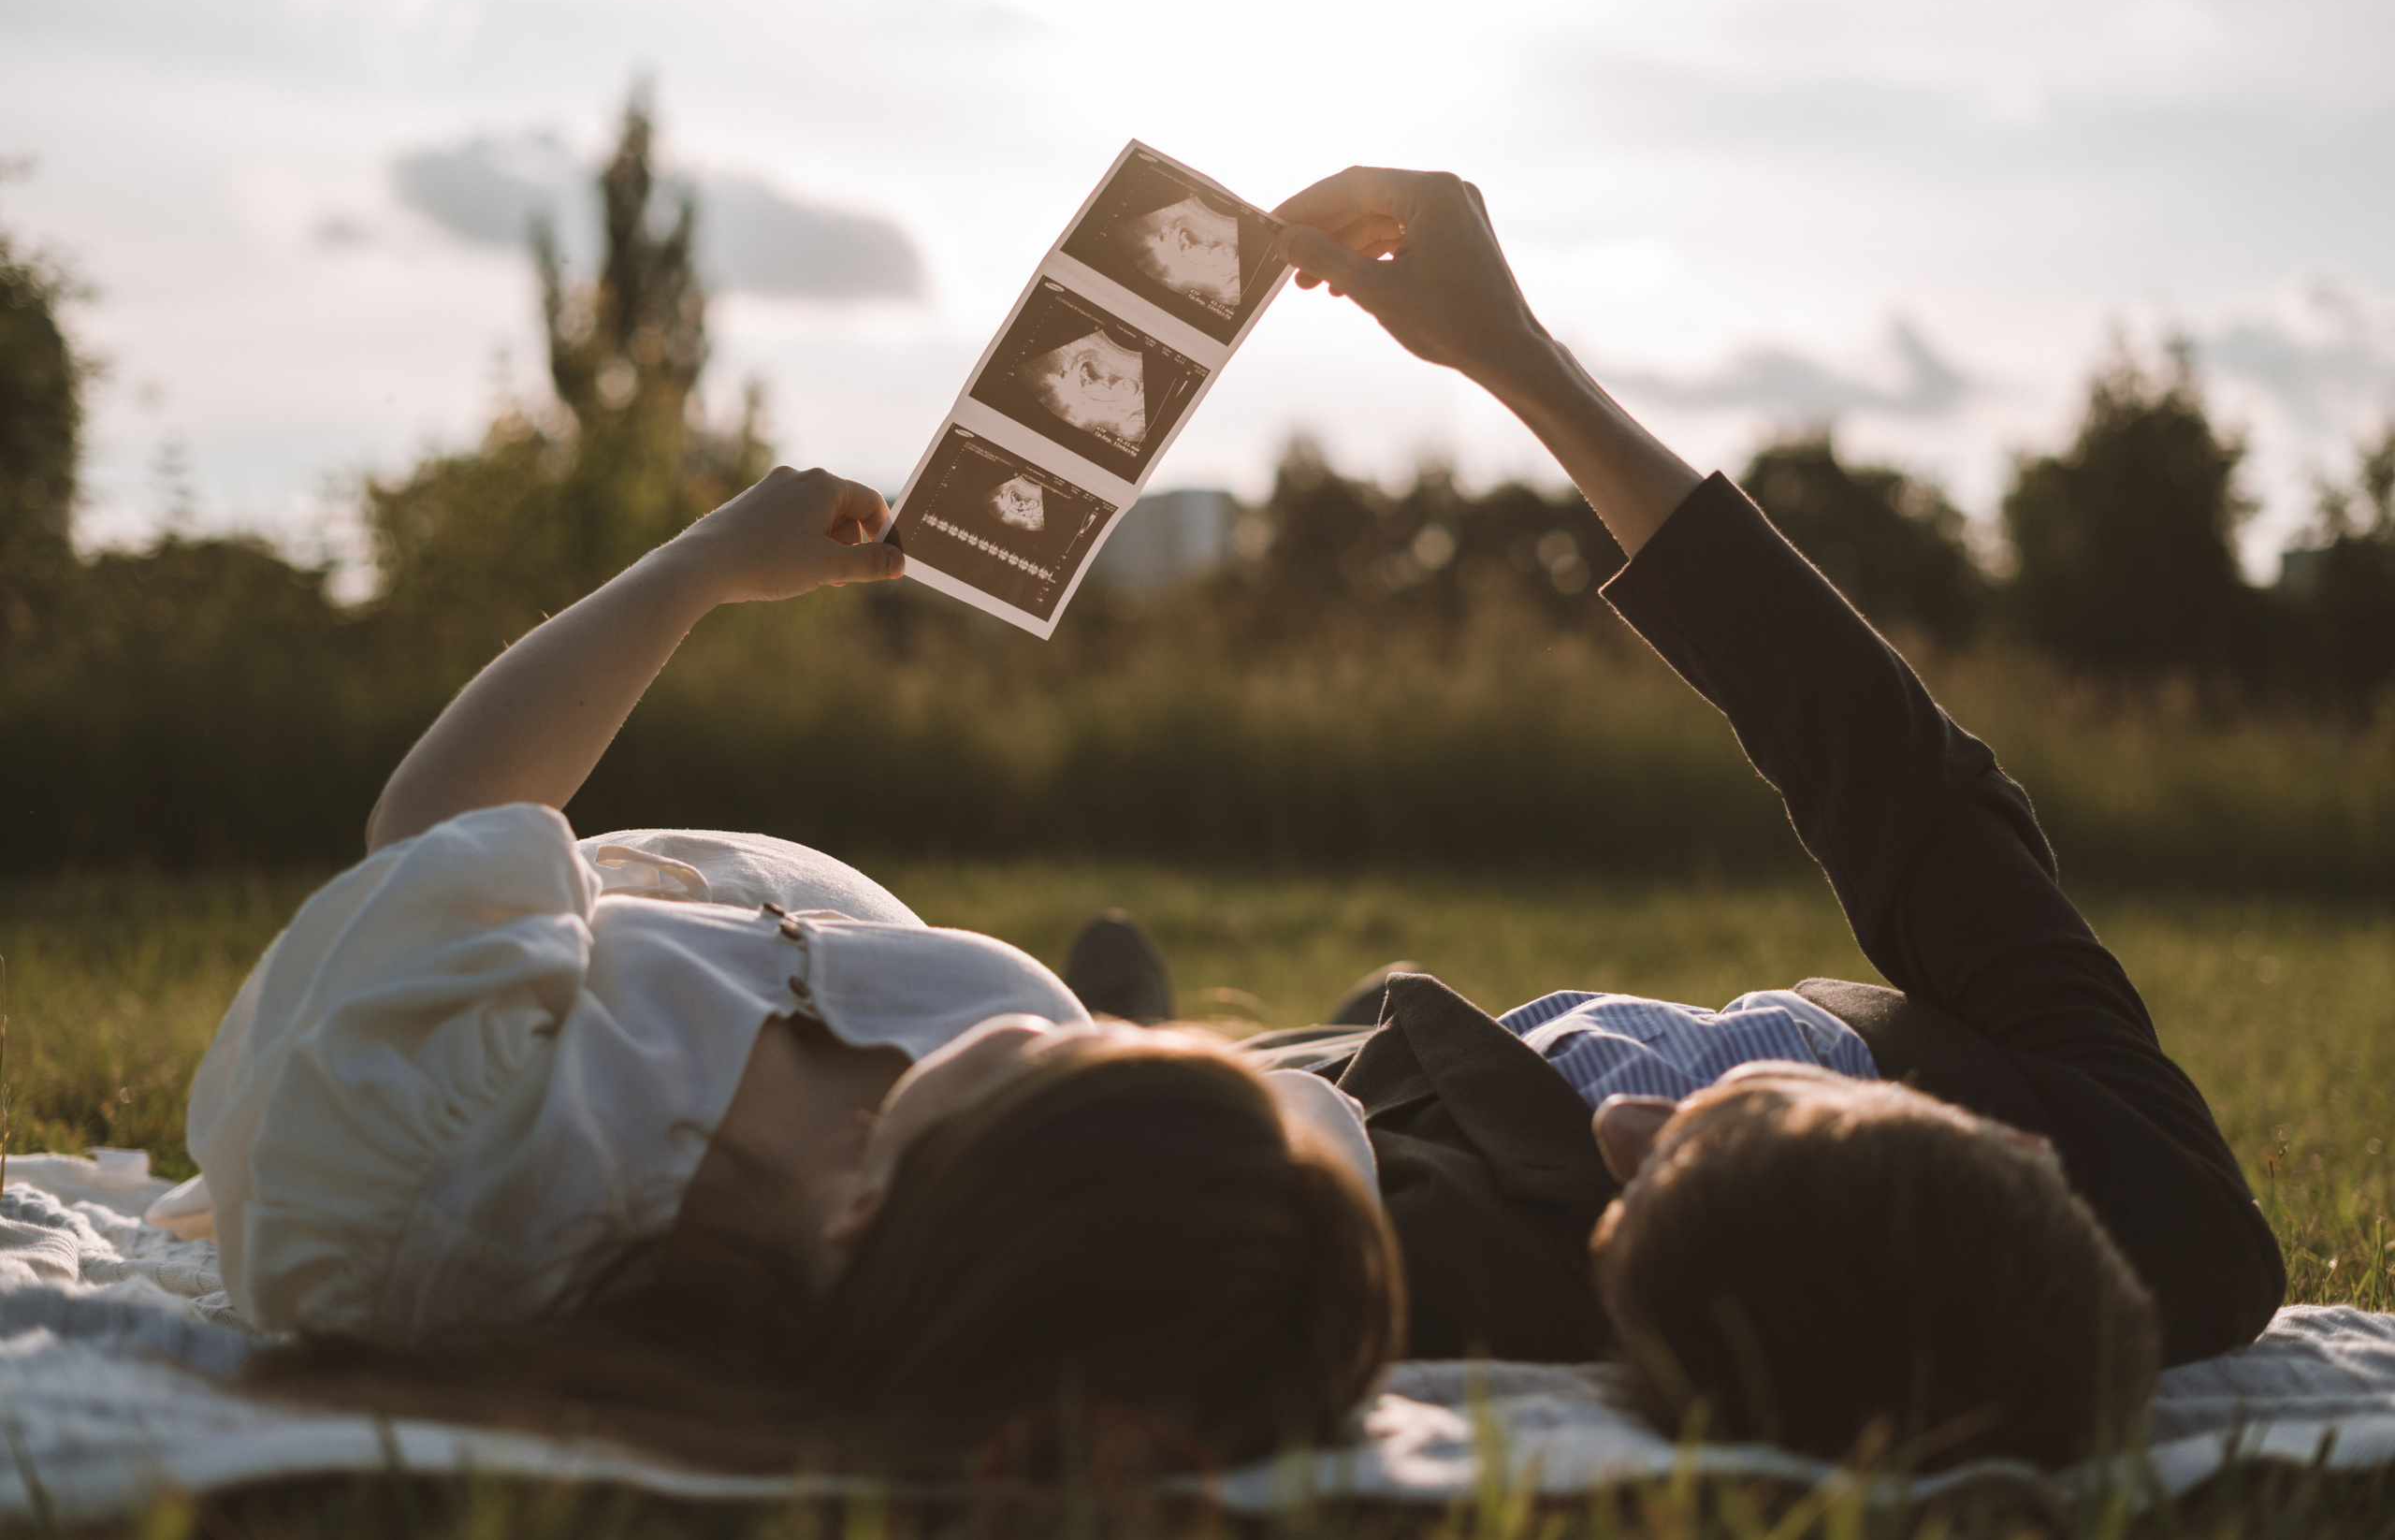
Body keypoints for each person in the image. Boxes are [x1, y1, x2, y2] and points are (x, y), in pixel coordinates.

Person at [1221, 166, 2285, 1471]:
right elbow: (1882, 760)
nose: (1634, 1129)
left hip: (1388, 1091)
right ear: (2004, 1148)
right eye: (1734, 1120)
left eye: (1642, 1199)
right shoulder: (2154, 1201)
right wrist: (1518, 359)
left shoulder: (1425, 1258)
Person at [187, 467, 1400, 1475]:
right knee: (1278, 1078)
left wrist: (702, 563)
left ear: (870, 1204)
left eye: (1055, 1061)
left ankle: (1181, 1014)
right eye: (1104, 1047)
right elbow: (1290, 1181)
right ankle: (1190, 1018)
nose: (1055, 1035)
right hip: (876, 977)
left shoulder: (455, 1176)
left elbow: (435, 827)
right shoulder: (1047, 1201)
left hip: (597, 901)